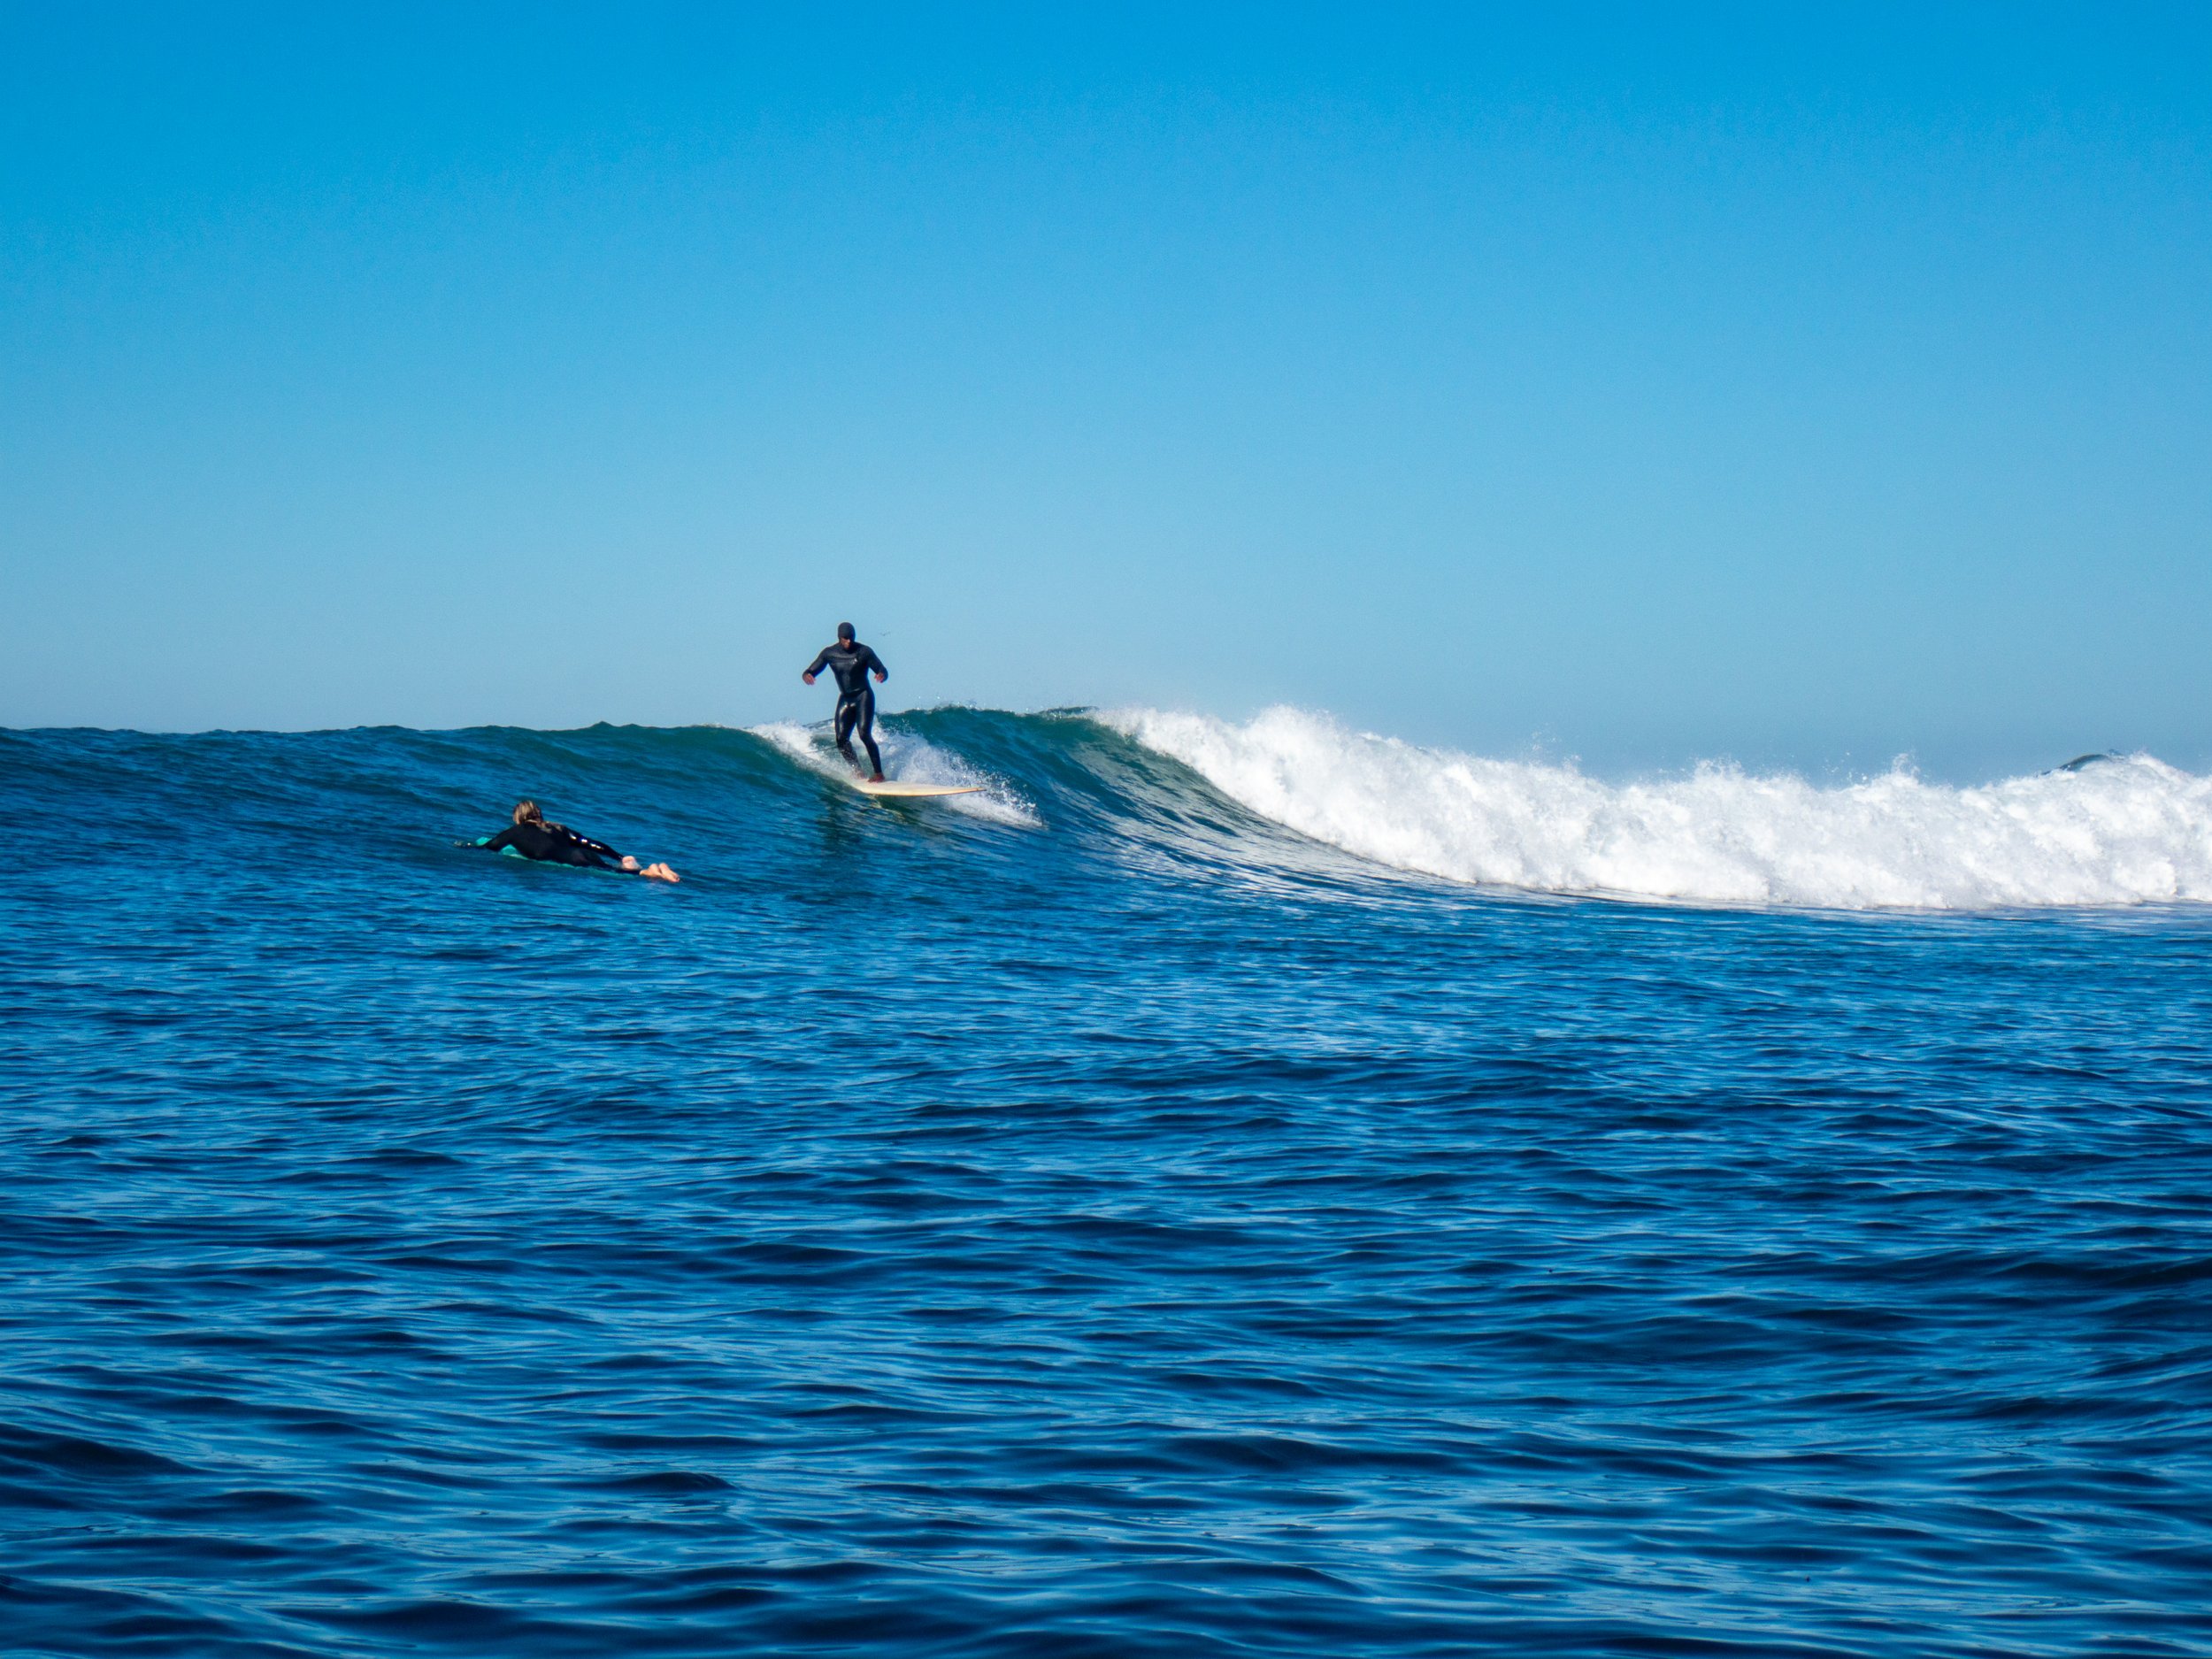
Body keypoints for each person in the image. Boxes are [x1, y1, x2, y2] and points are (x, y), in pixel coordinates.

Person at [466, 801, 680, 881]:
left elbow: (491, 846)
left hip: (573, 860)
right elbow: (590, 843)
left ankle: (651, 872)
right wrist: (619, 856)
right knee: (611, 868)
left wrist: (466, 846)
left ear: (518, 818)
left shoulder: (516, 830)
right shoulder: (557, 827)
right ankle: (645, 867)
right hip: (584, 854)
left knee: (614, 874)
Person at [802, 621, 890, 780]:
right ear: (839, 638)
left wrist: (881, 675)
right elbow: (812, 669)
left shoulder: (864, 651)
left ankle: (878, 774)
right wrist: (807, 675)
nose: (849, 641)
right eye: (845, 638)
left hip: (863, 696)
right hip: (845, 698)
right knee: (841, 739)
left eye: (851, 638)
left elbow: (882, 669)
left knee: (864, 734)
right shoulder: (829, 654)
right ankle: (857, 770)